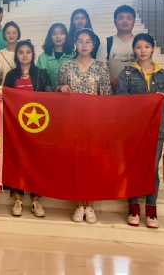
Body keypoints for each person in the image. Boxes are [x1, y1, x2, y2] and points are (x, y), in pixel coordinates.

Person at [117, 33, 164, 230]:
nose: (142, 50)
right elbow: (121, 100)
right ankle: (133, 208)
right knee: (133, 168)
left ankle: (151, 209)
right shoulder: (127, 73)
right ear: (134, 49)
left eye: (147, 46)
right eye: (139, 47)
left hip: (157, 128)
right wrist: (149, 99)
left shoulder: (162, 74)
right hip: (133, 129)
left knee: (152, 170)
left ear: (152, 49)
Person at [56, 29, 112, 224]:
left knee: (92, 164)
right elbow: (56, 90)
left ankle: (90, 205)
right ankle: (79, 205)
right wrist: (60, 88)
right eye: (80, 41)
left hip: (94, 123)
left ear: (93, 44)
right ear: (75, 43)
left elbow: (107, 97)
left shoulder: (101, 67)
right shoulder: (66, 65)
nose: (84, 45)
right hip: (71, 122)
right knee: (76, 163)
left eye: (88, 41)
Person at [3, 40, 52, 218]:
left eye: (28, 52)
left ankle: (35, 200)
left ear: (33, 54)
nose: (25, 55)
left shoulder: (41, 74)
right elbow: (5, 97)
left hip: (38, 127)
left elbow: (50, 97)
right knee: (16, 160)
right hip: (16, 125)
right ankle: (17, 199)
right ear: (16, 55)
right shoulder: (11, 75)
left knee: (36, 162)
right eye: (21, 52)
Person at [97, 5, 137, 92]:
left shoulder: (140, 43)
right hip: (112, 92)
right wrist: (118, 84)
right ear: (115, 22)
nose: (125, 21)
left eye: (129, 18)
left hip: (136, 92)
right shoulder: (106, 43)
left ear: (134, 21)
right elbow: (100, 69)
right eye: (121, 18)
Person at [37, 23, 75, 88]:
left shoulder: (74, 55)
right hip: (48, 93)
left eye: (61, 33)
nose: (58, 37)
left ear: (66, 36)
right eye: (54, 34)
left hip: (69, 93)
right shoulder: (42, 57)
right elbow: (37, 79)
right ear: (50, 37)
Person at [0, 21, 20, 85]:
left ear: (18, 34)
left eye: (14, 32)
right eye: (8, 33)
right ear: (4, 35)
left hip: (22, 89)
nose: (11, 35)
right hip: (5, 89)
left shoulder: (23, 53)